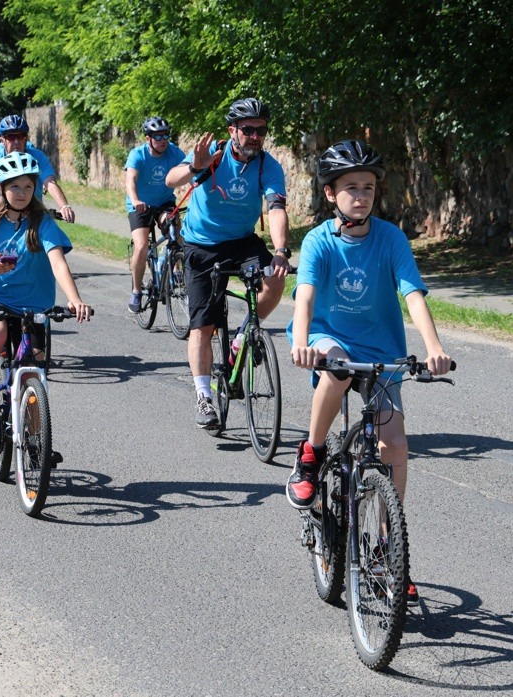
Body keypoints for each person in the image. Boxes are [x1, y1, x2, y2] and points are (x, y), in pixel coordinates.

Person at [284, 141, 452, 602]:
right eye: (351, 187)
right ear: (329, 193)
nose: (361, 195)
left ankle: (385, 549)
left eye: (369, 187)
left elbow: (412, 294)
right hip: (326, 337)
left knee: (393, 442)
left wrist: (434, 348)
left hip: (381, 349)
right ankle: (312, 453)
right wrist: (301, 342)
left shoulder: (391, 238)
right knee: (335, 369)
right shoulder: (319, 240)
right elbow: (305, 296)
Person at [164, 97, 291, 428]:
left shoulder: (268, 165)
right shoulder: (213, 156)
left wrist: (281, 250)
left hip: (242, 241)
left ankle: (243, 334)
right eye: (248, 130)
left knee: (276, 278)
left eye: (261, 131)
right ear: (232, 130)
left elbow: (276, 208)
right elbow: (171, 181)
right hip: (201, 245)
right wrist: (195, 165)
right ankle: (204, 396)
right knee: (203, 325)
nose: (255, 136)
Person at [0, 151, 91, 412]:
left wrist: (74, 299)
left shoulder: (42, 222)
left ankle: (36, 445)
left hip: (33, 305)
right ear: (1, 188)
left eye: (28, 187)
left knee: (33, 373)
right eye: (15, 186)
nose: (22, 193)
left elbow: (58, 261)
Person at [125, 116, 186, 312]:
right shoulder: (138, 154)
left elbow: (190, 171)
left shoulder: (174, 152)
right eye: (157, 136)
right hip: (140, 205)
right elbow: (130, 181)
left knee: (175, 229)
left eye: (165, 135)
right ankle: (136, 290)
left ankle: (175, 269)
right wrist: (135, 201)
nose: (162, 140)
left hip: (164, 203)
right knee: (142, 246)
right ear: (148, 138)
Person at [0, 115, 75, 223]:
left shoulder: (38, 157)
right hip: (0, 214)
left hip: (32, 213)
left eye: (20, 136)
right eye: (11, 137)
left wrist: (64, 206)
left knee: (54, 237)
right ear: (2, 140)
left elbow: (50, 183)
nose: (16, 141)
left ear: (26, 138)